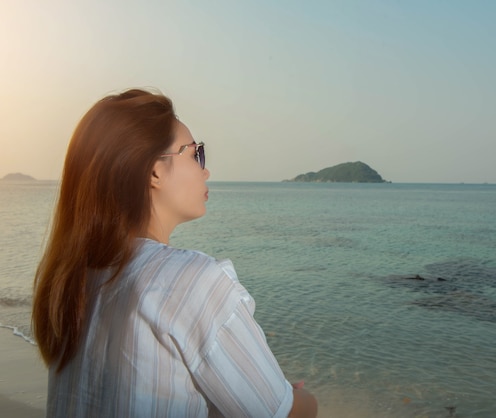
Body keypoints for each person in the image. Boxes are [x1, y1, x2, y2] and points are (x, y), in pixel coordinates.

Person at [32, 88, 317, 417]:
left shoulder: (73, 283)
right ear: (154, 171)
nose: (205, 170)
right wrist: (301, 398)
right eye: (196, 154)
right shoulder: (192, 281)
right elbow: (284, 414)